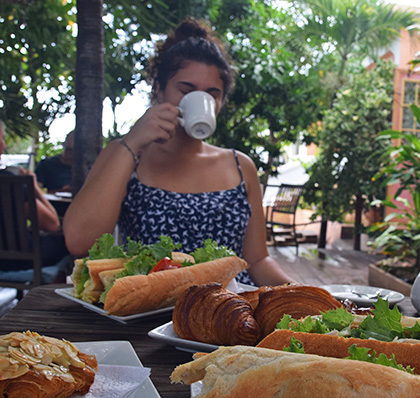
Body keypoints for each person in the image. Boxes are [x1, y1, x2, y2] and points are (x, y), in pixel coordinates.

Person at [63, 19, 294, 287]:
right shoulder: (126, 154)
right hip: (149, 311)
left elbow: (257, 260)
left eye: (212, 93)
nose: (198, 100)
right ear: (158, 89)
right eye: (185, 90)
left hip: (231, 312)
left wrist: (308, 295)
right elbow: (79, 241)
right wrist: (132, 142)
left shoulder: (240, 165)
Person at [0, 119, 69, 271]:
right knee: (67, 243)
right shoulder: (10, 183)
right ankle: (49, 293)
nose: (4, 145)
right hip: (16, 258)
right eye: (3, 138)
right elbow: (53, 224)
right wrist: (32, 186)